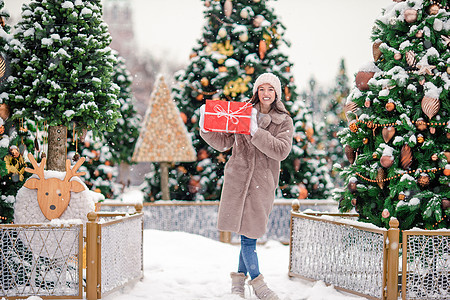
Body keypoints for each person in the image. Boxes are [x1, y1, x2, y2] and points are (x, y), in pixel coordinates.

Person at [199, 73, 293, 299]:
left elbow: (281, 150)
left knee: (249, 234)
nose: (266, 93)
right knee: (245, 234)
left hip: (262, 183)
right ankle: (244, 283)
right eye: (262, 89)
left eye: (271, 89)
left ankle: (254, 283)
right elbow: (224, 142)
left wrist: (256, 132)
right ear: (256, 91)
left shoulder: (284, 121)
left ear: (277, 93)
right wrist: (206, 128)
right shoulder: (243, 112)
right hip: (238, 181)